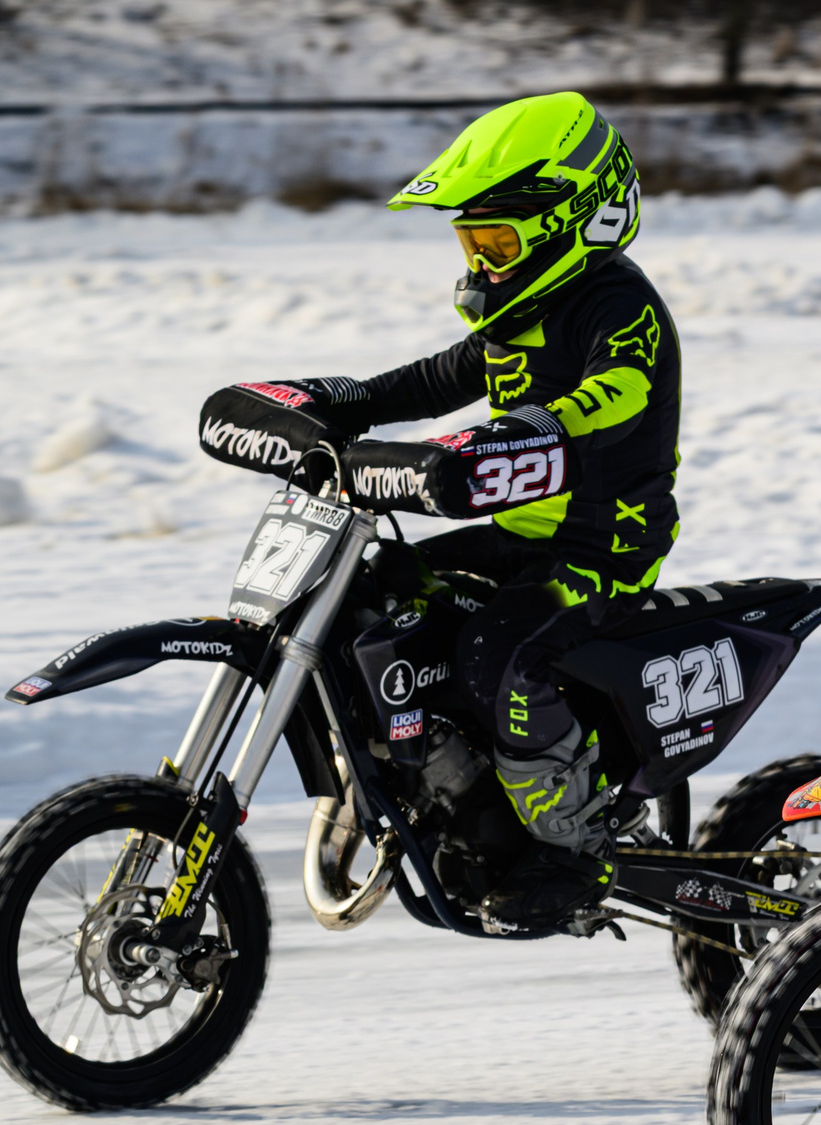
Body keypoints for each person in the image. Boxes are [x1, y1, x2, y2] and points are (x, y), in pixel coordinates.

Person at [194, 90, 680, 927]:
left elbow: (614, 393)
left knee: (496, 651)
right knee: (376, 592)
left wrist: (501, 440)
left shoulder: (618, 309)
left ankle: (568, 842)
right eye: (472, 243)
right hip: (524, 536)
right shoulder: (520, 312)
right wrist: (334, 402)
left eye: (499, 242)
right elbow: (427, 381)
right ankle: (410, 778)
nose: (483, 264)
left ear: (575, 221)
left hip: (603, 548)